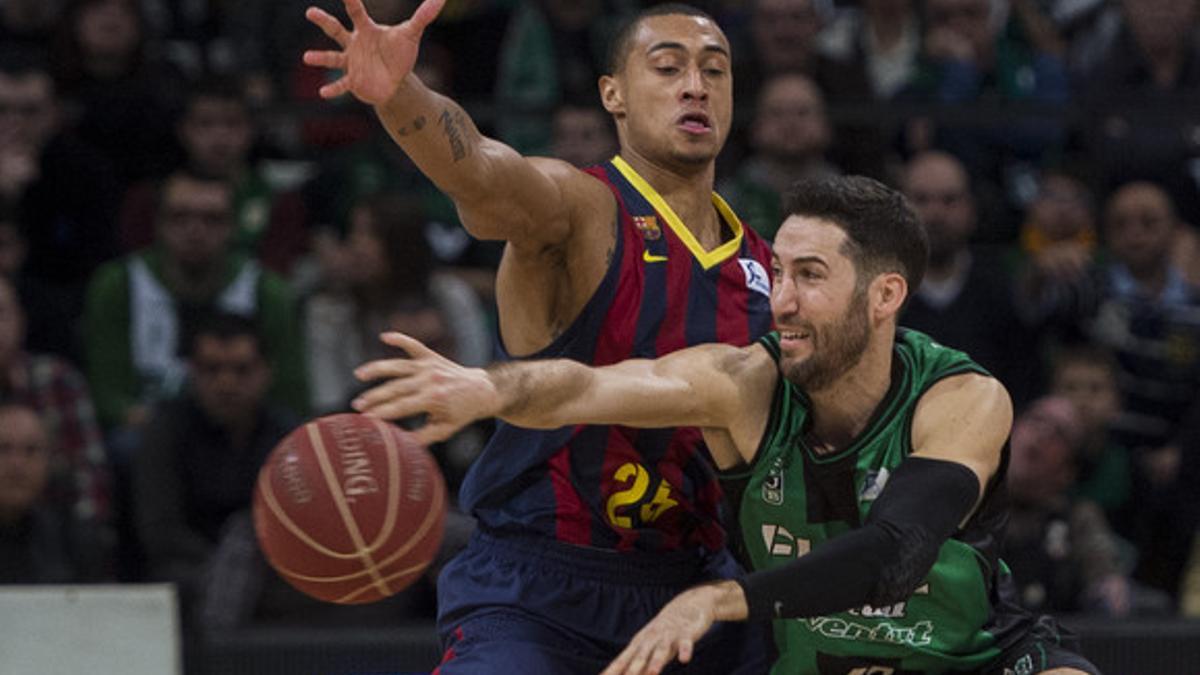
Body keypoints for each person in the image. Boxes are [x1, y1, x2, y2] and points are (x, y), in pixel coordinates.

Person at [353, 175, 1100, 674]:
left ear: (885, 295)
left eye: (810, 276)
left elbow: (895, 553)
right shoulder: (744, 384)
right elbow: (587, 384)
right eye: (777, 272)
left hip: (971, 654)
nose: (780, 301)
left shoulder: (963, 396)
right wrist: (487, 385)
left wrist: (720, 597)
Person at [304, 0, 774, 671]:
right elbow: (482, 174)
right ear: (612, 94)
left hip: (694, 588)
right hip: (542, 588)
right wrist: (400, 93)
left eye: (715, 71)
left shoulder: (768, 269)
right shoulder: (580, 209)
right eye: (667, 67)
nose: (695, 85)